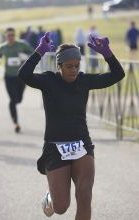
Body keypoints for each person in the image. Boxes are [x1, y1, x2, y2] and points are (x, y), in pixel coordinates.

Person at [18, 32, 125, 219]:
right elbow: (24, 74)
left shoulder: (84, 81)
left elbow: (118, 74)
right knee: (60, 207)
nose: (74, 70)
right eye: (69, 66)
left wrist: (107, 53)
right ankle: (51, 198)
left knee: (84, 194)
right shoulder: (49, 80)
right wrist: (39, 51)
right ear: (59, 66)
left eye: (77, 66)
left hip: (81, 144)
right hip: (54, 146)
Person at [0, 27, 33, 133]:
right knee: (12, 100)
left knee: (19, 100)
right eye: (8, 35)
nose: (10, 37)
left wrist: (25, 56)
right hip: (9, 77)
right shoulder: (2, 47)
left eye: (12, 35)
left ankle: (15, 113)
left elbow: (33, 53)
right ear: (5, 36)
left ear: (14, 35)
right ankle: (15, 123)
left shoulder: (22, 44)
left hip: (21, 77)